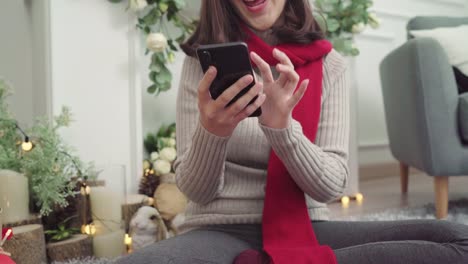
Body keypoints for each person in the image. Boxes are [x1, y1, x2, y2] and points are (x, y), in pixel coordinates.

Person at [117, 0, 468, 263]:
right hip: (217, 231)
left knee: (459, 240)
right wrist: (213, 132)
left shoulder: (331, 66)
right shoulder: (201, 64)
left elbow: (331, 185)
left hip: (307, 227)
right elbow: (197, 190)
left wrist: (282, 130)